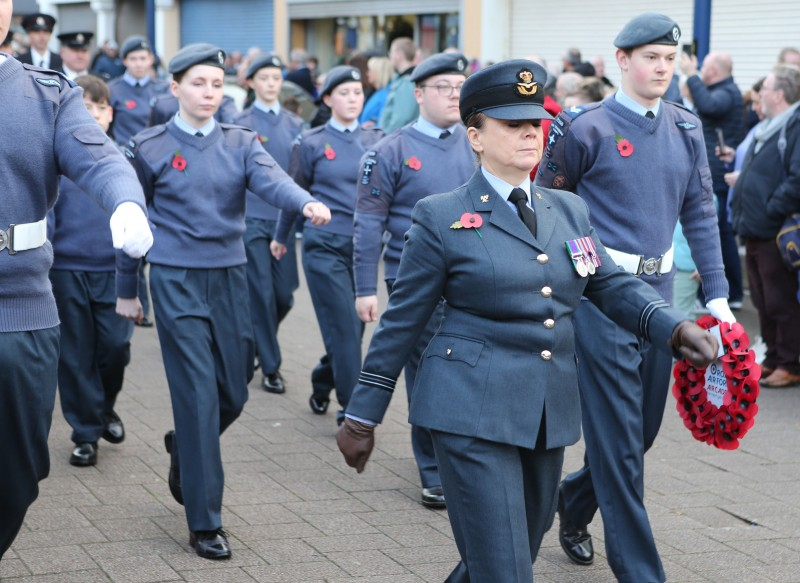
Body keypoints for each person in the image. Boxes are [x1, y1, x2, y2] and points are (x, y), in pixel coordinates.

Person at [336, 58, 718, 583]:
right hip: (469, 411)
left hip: (544, 413)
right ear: (475, 135)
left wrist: (671, 326)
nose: (528, 134)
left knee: (512, 551)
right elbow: (402, 322)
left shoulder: (568, 211)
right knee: (506, 568)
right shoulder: (440, 215)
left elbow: (607, 284)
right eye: (510, 124)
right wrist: (363, 413)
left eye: (533, 123)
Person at [535, 13, 735, 583]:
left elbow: (700, 211)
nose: (662, 69)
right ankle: (642, 573)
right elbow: (549, 206)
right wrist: (584, 271)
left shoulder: (687, 127)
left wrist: (717, 296)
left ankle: (573, 505)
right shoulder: (583, 128)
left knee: (639, 434)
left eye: (670, 60)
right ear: (621, 60)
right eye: (651, 57)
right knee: (621, 444)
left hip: (662, 297)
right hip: (600, 301)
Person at [124, 43, 331, 560]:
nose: (209, 93)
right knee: (196, 394)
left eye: (217, 85)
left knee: (234, 393)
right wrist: (129, 289)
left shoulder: (241, 142)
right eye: (199, 83)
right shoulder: (148, 146)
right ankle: (205, 522)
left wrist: (304, 202)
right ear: (175, 88)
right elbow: (130, 220)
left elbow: (272, 180)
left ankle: (185, 449)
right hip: (175, 279)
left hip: (230, 277)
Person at [1, 0, 152, 557]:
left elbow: (99, 157)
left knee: (20, 471)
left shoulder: (48, 94)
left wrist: (125, 203)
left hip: (19, 307)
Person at [353, 52, 475, 509]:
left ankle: (461, 449)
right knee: (426, 369)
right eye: (443, 86)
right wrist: (365, 288)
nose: (453, 94)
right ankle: (433, 469)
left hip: (473, 274)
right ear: (418, 94)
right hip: (414, 278)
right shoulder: (390, 150)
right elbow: (368, 223)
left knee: (464, 365)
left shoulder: (476, 141)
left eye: (460, 85)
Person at [271, 66, 384, 426]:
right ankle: (354, 411)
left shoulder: (377, 141)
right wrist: (280, 237)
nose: (352, 99)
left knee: (352, 329)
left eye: (357, 92)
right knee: (345, 329)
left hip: (363, 249)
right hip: (323, 247)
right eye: (344, 92)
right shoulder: (311, 142)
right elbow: (294, 191)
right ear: (328, 98)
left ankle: (323, 380)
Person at [48, 74, 141, 467]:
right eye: (84, 106)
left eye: (100, 107)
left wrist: (133, 281)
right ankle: (85, 432)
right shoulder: (57, 159)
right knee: (75, 353)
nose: (93, 113)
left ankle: (104, 407)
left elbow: (140, 218)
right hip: (67, 269)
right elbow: (46, 213)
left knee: (115, 349)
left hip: (112, 270)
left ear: (110, 114)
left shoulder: (124, 160)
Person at [234, 53, 305, 394]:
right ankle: (272, 369)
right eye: (263, 78)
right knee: (260, 293)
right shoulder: (240, 121)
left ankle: (259, 343)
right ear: (250, 82)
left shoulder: (295, 123)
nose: (271, 84)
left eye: (276, 78)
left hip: (284, 219)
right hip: (250, 218)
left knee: (284, 295)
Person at [728, 65, 800, 388]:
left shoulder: (794, 126)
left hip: (773, 229)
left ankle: (789, 362)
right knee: (762, 299)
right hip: (755, 228)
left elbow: (797, 179)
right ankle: (773, 358)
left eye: (765, 89)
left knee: (780, 300)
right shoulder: (767, 128)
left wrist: (771, 210)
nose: (759, 96)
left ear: (780, 94)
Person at [680, 51, 744, 308]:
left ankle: (725, 293)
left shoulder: (727, 92)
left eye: (702, 67)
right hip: (716, 171)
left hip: (716, 175)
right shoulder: (725, 90)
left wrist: (690, 74)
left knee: (715, 233)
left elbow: (707, 105)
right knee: (720, 233)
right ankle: (731, 293)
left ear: (714, 71)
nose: (699, 69)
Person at [108, 36, 168, 146]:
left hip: (155, 152)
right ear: (124, 60)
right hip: (123, 154)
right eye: (133, 59)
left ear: (151, 59)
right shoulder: (112, 89)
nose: (138, 64)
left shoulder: (164, 89)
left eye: (143, 58)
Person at [379, 37, 419, 130]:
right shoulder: (403, 79)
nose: (390, 56)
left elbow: (401, 119)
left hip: (396, 141)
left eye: (391, 52)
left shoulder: (407, 82)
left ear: (399, 54)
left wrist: (386, 139)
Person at [359, 55, 393, 128]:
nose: (367, 74)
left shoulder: (386, 95)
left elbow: (385, 123)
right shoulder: (376, 92)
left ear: (378, 72)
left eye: (370, 70)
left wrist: (375, 126)